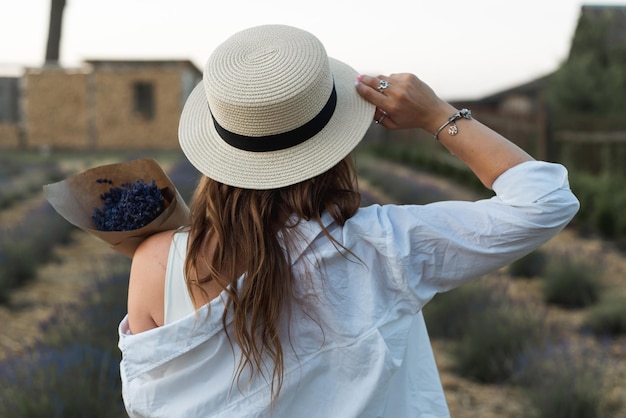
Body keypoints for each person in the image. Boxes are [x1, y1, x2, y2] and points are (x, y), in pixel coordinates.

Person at [118, 24, 579, 417]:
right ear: (336, 142)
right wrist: (438, 116)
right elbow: (544, 201)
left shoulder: (156, 262)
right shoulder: (385, 245)